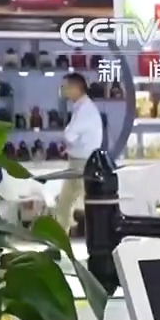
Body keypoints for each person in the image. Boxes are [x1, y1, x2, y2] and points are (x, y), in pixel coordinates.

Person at [54, 72, 104, 231]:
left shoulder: (85, 110)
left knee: (68, 203)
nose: (63, 90)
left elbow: (70, 134)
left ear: (76, 88)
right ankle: (62, 237)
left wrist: (67, 139)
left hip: (82, 163)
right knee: (67, 203)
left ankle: (63, 238)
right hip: (80, 161)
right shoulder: (82, 107)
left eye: (66, 86)